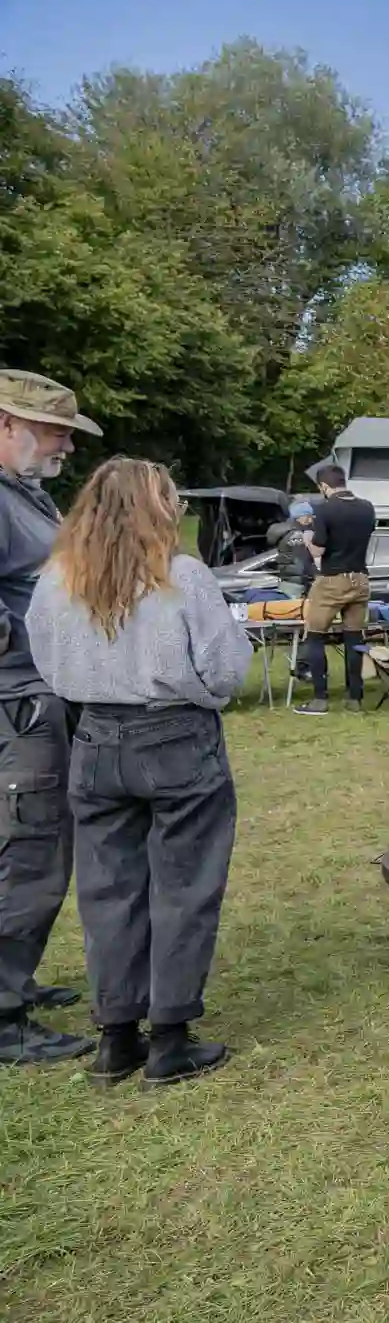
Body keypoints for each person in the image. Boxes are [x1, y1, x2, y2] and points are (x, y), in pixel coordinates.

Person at [28, 457, 252, 1086]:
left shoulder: (58, 578)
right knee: (184, 886)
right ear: (157, 507)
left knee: (107, 891)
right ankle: (170, 1038)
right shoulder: (182, 576)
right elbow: (225, 669)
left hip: (96, 735)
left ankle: (116, 1036)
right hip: (175, 735)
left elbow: (44, 658)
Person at [0, 370, 101, 1066]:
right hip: (17, 703)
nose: (66, 443)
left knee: (28, 843)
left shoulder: (24, 493)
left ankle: (16, 979)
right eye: (52, 430)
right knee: (29, 850)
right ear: (6, 425)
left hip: (37, 694)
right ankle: (3, 1016)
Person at [291, 466, 376, 717]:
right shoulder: (367, 507)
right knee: (354, 639)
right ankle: (354, 699)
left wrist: (307, 538)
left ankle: (320, 699)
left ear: (324, 487)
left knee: (315, 636)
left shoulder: (324, 509)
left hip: (331, 580)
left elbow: (318, 550)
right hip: (360, 578)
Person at [264, 501, 318, 599]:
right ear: (299, 517)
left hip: (287, 579)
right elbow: (301, 560)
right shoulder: (297, 535)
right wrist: (310, 577)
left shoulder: (285, 532)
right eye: (308, 516)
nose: (310, 520)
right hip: (297, 582)